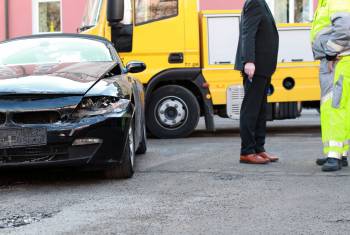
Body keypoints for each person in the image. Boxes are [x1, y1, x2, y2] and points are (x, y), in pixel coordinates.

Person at [235, 0, 279, 164]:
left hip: (264, 67)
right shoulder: (254, 2)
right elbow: (248, 32)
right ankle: (247, 151)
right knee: (251, 110)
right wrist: (249, 61)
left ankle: (259, 149)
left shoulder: (261, 2)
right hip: (256, 66)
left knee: (261, 111)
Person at [311, 0, 350, 171]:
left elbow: (344, 27)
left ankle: (334, 156)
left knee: (335, 105)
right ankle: (338, 153)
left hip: (337, 60)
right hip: (337, 59)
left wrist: (331, 53)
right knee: (336, 106)